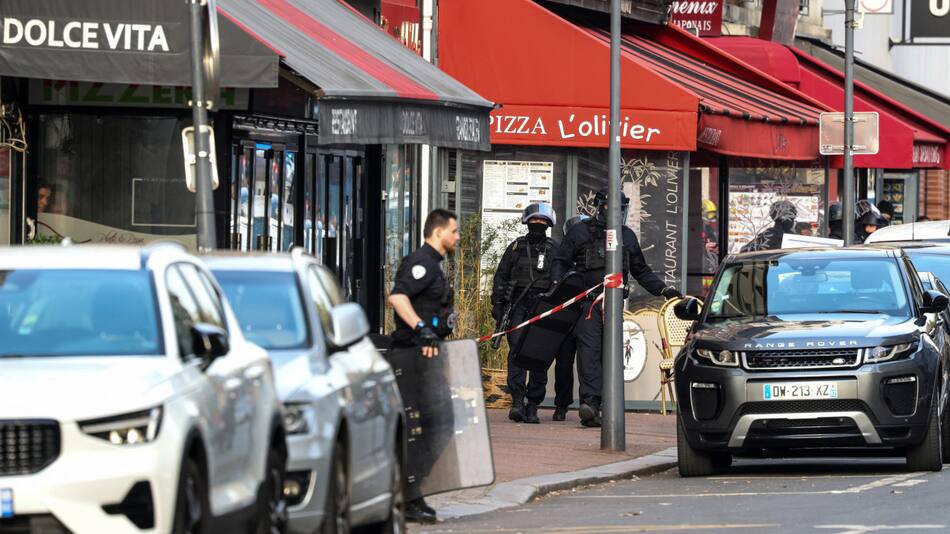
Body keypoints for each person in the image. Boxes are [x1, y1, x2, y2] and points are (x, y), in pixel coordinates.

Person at [552, 190, 681, 428]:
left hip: (614, 305)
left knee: (610, 354)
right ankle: (590, 404)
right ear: (600, 207)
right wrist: (559, 291)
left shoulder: (627, 236)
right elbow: (560, 262)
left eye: (621, 209)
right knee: (589, 353)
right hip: (587, 304)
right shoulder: (579, 232)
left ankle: (604, 404)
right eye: (613, 208)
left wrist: (663, 291)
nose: (617, 213)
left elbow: (640, 270)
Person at [386, 208, 459, 522]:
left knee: (436, 425)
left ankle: (410, 494)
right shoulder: (422, 263)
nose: (457, 237)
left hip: (427, 354)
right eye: (454, 231)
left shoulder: (434, 265)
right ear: (438, 232)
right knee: (432, 425)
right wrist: (421, 329)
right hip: (414, 355)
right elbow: (397, 298)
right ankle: (408, 497)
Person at [492, 203, 558, 424]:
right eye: (534, 222)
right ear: (527, 223)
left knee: (540, 355)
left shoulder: (554, 250)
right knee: (517, 353)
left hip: (543, 306)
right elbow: (501, 277)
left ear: (548, 225)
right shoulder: (516, 248)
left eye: (542, 222)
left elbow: (562, 278)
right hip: (518, 305)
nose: (538, 225)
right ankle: (518, 402)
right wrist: (498, 305)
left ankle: (533, 405)